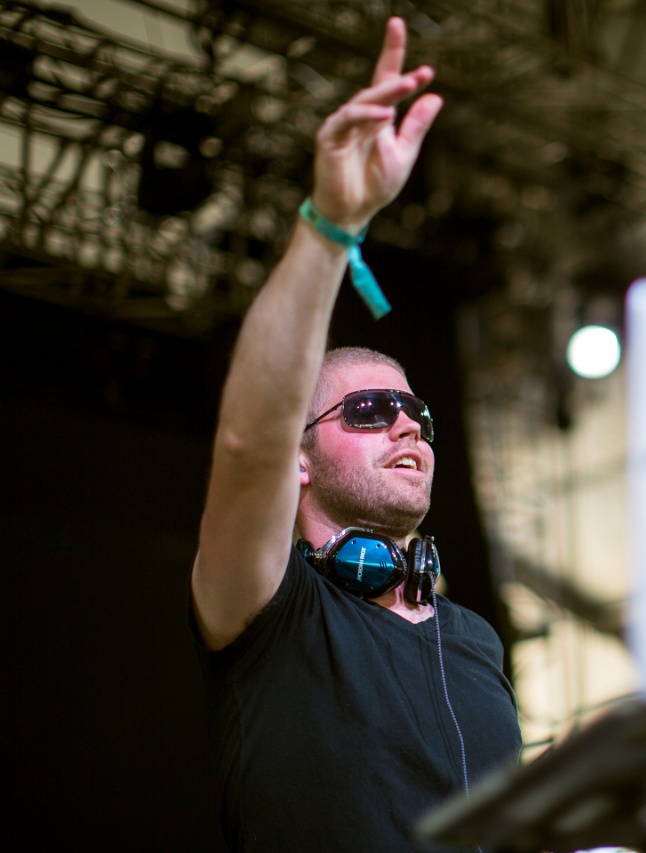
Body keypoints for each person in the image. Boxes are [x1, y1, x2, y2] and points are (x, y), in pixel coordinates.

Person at [188, 18, 521, 851]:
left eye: (417, 414)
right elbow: (248, 443)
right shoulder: (269, 606)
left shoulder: (475, 642)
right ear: (299, 460)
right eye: (369, 410)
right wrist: (331, 225)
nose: (407, 423)